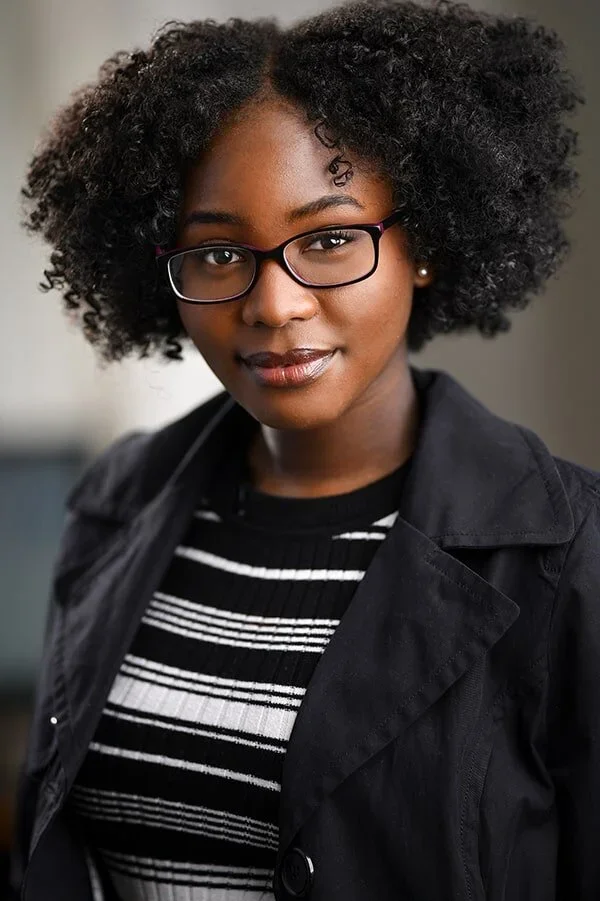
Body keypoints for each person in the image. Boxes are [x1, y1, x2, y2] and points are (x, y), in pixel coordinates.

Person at [10, 0, 599, 898]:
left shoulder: (574, 555)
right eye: (216, 254)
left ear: (424, 243)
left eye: (328, 239)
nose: (274, 304)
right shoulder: (117, 500)